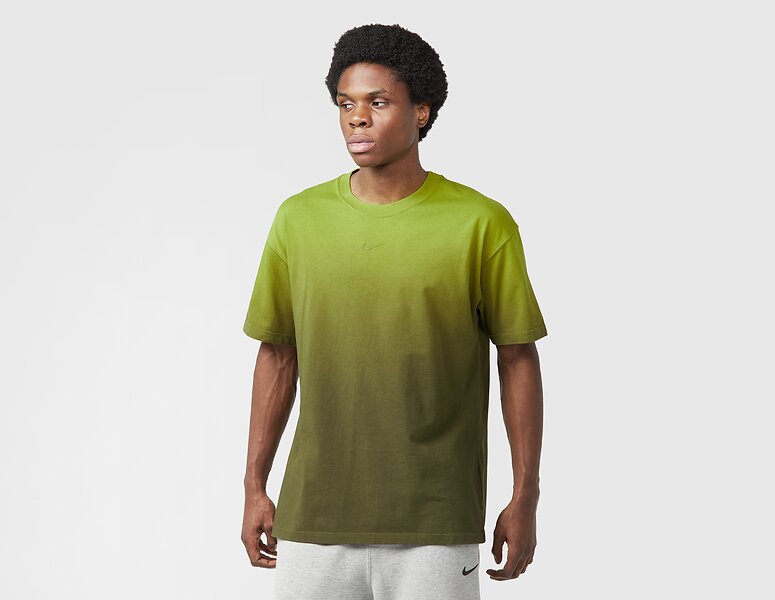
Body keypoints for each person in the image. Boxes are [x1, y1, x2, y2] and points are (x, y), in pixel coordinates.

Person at [240, 23, 548, 600]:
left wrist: (524, 495)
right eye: (346, 104)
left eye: (378, 102)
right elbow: (277, 354)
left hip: (435, 524)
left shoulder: (482, 223)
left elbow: (518, 359)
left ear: (421, 112)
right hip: (312, 520)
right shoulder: (297, 219)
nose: (357, 119)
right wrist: (254, 485)